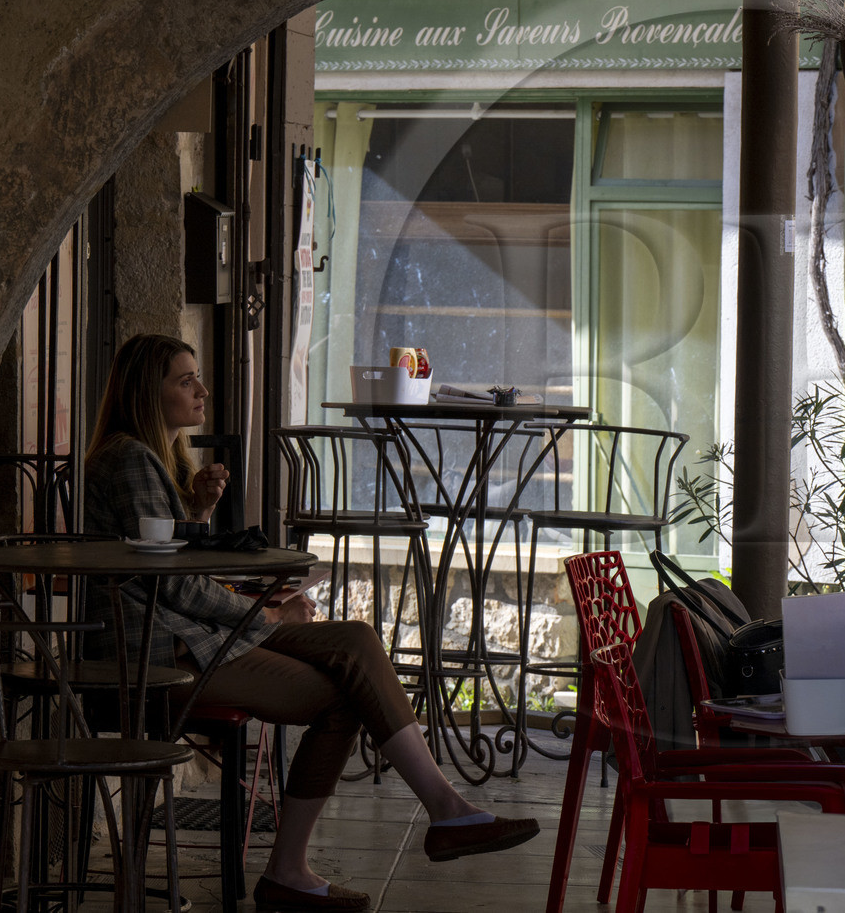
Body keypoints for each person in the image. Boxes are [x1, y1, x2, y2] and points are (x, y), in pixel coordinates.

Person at [84, 333, 539, 913]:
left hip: (190, 637)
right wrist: (266, 613)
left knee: (355, 639)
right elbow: (171, 583)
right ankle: (304, 867)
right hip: (162, 653)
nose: (200, 389)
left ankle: (436, 814)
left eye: (198, 376)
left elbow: (162, 561)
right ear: (149, 393)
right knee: (343, 694)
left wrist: (196, 513)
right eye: (184, 380)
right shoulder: (130, 459)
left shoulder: (153, 459)